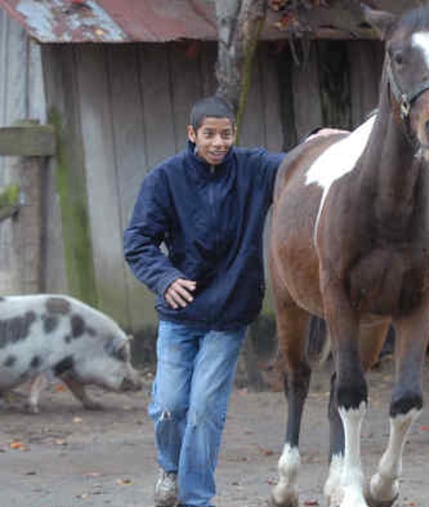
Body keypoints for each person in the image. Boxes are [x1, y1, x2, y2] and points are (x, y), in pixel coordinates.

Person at [123, 95, 285, 507]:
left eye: (226, 134)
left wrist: (327, 139)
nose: (218, 143)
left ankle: (196, 498)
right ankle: (170, 469)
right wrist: (164, 278)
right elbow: (138, 241)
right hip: (179, 314)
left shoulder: (254, 169)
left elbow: (300, 161)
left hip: (229, 315)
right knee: (170, 405)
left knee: (204, 410)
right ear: (192, 134)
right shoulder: (165, 179)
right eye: (209, 134)